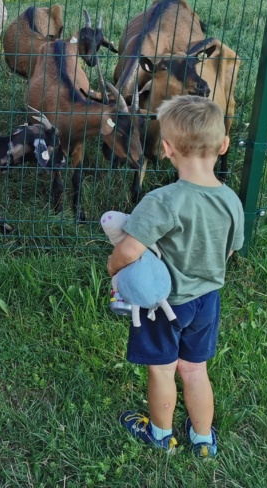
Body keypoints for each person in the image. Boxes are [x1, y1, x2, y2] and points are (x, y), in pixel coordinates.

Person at [109, 95, 244, 458]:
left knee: (163, 370)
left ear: (167, 149)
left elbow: (129, 250)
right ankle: (202, 440)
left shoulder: (163, 200)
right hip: (207, 301)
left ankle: (160, 434)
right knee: (195, 369)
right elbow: (231, 249)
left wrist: (114, 269)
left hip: (164, 303)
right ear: (224, 145)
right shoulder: (232, 200)